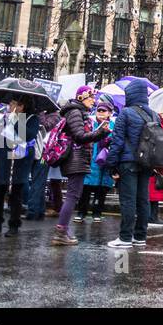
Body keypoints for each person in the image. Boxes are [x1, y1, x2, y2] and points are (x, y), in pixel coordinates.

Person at [50, 86, 110, 247]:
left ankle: (64, 230)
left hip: (78, 158)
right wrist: (101, 133)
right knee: (72, 196)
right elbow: (79, 136)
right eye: (91, 98)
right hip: (75, 159)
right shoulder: (75, 112)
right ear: (82, 97)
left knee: (73, 195)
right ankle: (61, 232)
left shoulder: (78, 112)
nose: (94, 101)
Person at [105, 80, 161, 250]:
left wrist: (112, 164)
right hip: (147, 162)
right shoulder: (154, 114)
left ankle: (125, 237)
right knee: (143, 199)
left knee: (128, 200)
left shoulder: (126, 113)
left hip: (128, 162)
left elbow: (118, 141)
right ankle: (140, 236)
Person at [0, 100, 39, 237]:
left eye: (16, 104)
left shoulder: (32, 118)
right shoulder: (5, 116)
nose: (11, 107)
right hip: (1, 158)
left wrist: (17, 121)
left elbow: (28, 135)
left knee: (15, 194)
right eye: (11, 104)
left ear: (23, 106)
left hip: (18, 160)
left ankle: (14, 225)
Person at [81, 99, 116, 222]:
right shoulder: (91, 123)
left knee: (101, 190)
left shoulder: (113, 126)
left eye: (104, 110)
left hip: (104, 162)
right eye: (99, 110)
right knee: (85, 189)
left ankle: (97, 212)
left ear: (110, 113)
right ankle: (82, 212)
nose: (100, 112)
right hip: (90, 160)